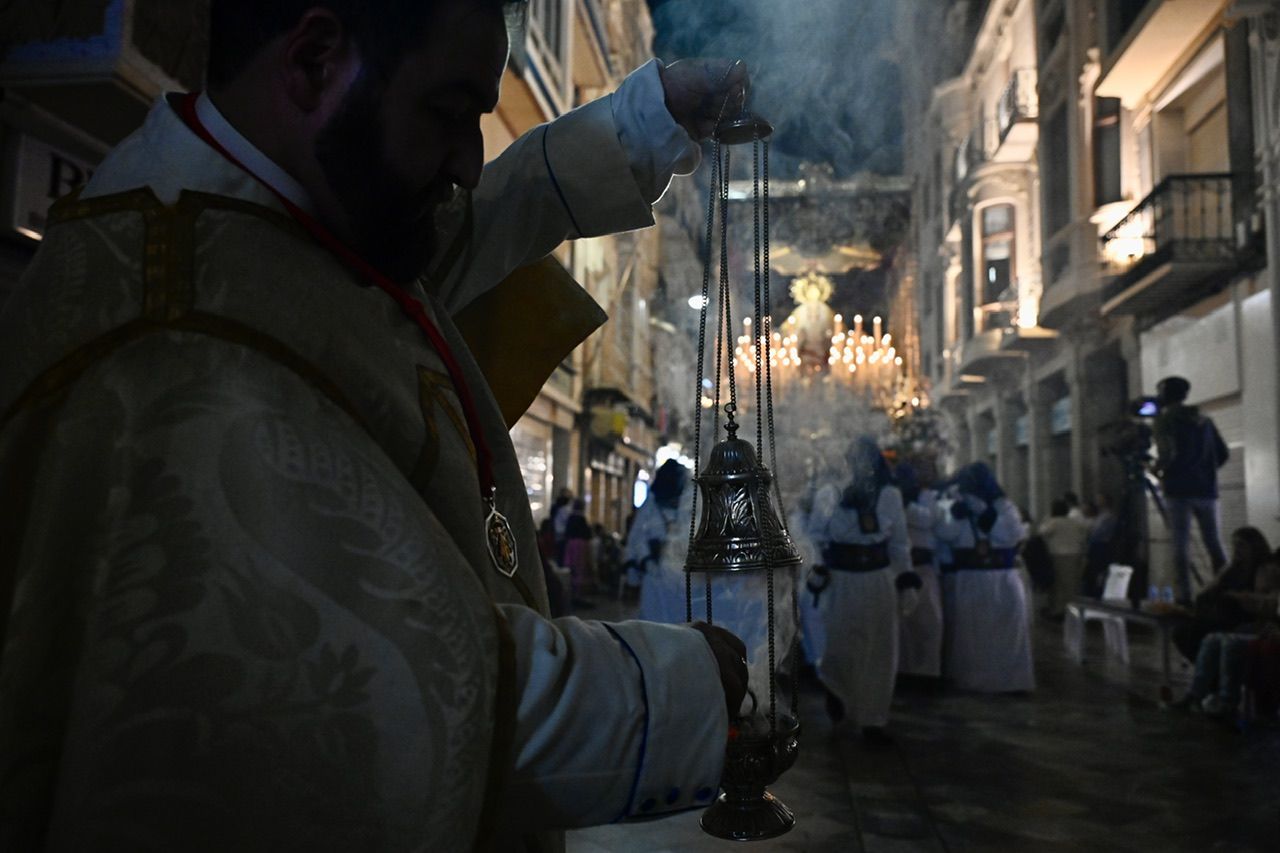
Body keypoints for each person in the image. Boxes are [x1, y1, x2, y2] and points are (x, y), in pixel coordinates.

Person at [0, 2, 754, 848]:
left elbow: (471, 226)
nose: (470, 162)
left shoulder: (288, 203)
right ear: (316, 61)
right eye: (449, 112)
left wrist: (644, 121)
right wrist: (682, 684)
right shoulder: (183, 345)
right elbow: (390, 694)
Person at [808, 438, 913, 745]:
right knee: (840, 642)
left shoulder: (890, 495)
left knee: (880, 648)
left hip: (878, 578)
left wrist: (905, 578)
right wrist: (818, 566)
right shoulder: (830, 494)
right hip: (841, 579)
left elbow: (899, 543)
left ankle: (873, 719)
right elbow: (814, 536)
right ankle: (837, 689)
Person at [935, 462, 1035, 693]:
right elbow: (945, 534)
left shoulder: (1004, 506)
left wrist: (985, 514)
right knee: (972, 635)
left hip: (1001, 577)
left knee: (1005, 634)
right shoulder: (958, 507)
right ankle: (974, 681)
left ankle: (1010, 682)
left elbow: (1011, 535)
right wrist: (952, 512)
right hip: (970, 577)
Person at [1152, 375, 1230, 603]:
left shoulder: (1164, 421)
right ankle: (1225, 593)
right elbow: (1223, 453)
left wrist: (1159, 470)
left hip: (1178, 491)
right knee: (1215, 544)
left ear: (1165, 395)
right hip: (1207, 490)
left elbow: (1168, 454)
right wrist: (1204, 471)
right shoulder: (1205, 419)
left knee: (1180, 546)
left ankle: (1184, 598)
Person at [1178, 552, 1280, 719]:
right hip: (1262, 628)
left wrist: (1244, 598)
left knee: (1231, 642)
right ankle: (1195, 694)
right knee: (1212, 639)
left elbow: (1270, 606)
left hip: (1269, 632)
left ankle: (1228, 702)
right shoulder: (1266, 580)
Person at [1172, 527, 1272, 662]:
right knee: (1182, 631)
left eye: (1241, 545)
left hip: (1244, 618)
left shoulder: (1263, 569)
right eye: (1234, 545)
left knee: (1202, 632)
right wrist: (1224, 573)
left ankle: (1211, 673)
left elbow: (1259, 602)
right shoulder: (1233, 569)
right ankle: (1209, 671)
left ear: (1254, 546)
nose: (1236, 549)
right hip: (1222, 615)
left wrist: (1235, 595)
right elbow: (1206, 593)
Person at [896, 463, 944, 682]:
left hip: (923, 567)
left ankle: (926, 671)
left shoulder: (925, 497)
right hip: (901, 568)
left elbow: (929, 520)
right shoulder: (891, 496)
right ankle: (903, 669)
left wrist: (907, 507)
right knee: (902, 624)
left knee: (929, 620)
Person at [624, 460, 688, 608]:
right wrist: (645, 562)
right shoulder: (651, 504)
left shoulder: (687, 503)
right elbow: (637, 537)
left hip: (680, 576)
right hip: (655, 573)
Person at [1038, 498, 1090, 618]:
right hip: (1076, 554)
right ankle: (1073, 609)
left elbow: (1042, 532)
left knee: (1059, 584)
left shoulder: (1054, 522)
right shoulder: (1075, 522)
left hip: (1059, 555)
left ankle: (1058, 610)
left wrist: (1046, 519)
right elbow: (1083, 535)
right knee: (1072, 584)